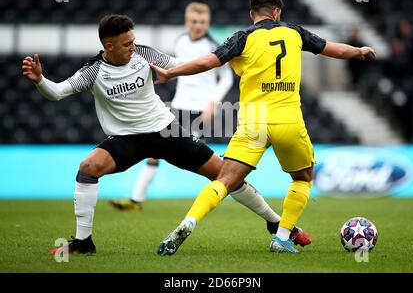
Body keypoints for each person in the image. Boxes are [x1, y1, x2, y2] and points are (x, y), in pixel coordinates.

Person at [21, 14, 309, 255]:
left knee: (225, 174)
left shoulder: (144, 54)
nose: (133, 47)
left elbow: (177, 64)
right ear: (109, 46)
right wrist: (39, 81)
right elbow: (57, 92)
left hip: (165, 130)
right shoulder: (93, 72)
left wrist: (221, 60)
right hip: (126, 139)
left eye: (133, 40)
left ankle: (275, 222)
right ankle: (83, 242)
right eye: (126, 44)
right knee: (88, 168)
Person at [151, 0, 376, 255]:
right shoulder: (294, 32)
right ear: (277, 12)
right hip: (288, 118)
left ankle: (188, 222)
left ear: (252, 14)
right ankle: (281, 238)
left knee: (225, 181)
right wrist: (358, 50)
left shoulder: (242, 38)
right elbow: (333, 49)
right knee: (303, 178)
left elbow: (206, 63)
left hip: (254, 121)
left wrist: (170, 73)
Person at [109, 2, 233, 212]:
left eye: (202, 22)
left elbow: (227, 77)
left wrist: (213, 102)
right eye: (194, 21)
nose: (198, 25)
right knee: (154, 153)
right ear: (187, 22)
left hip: (201, 111)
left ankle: (232, 187)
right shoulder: (180, 41)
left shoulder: (213, 46)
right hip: (178, 107)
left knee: (201, 156)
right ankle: (136, 199)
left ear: (208, 23)